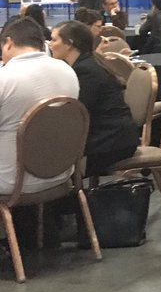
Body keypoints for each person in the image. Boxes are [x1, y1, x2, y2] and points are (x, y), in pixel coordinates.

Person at [49, 21, 140, 180]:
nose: (50, 44)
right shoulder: (90, 62)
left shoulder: (86, 71)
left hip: (112, 142)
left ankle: (68, 201)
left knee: (51, 160)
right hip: (114, 137)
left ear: (69, 44)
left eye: (54, 40)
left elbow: (79, 113)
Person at [0, 18, 80, 197]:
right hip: (60, 174)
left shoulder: (4, 78)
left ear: (9, 43)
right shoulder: (68, 71)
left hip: (11, 181)